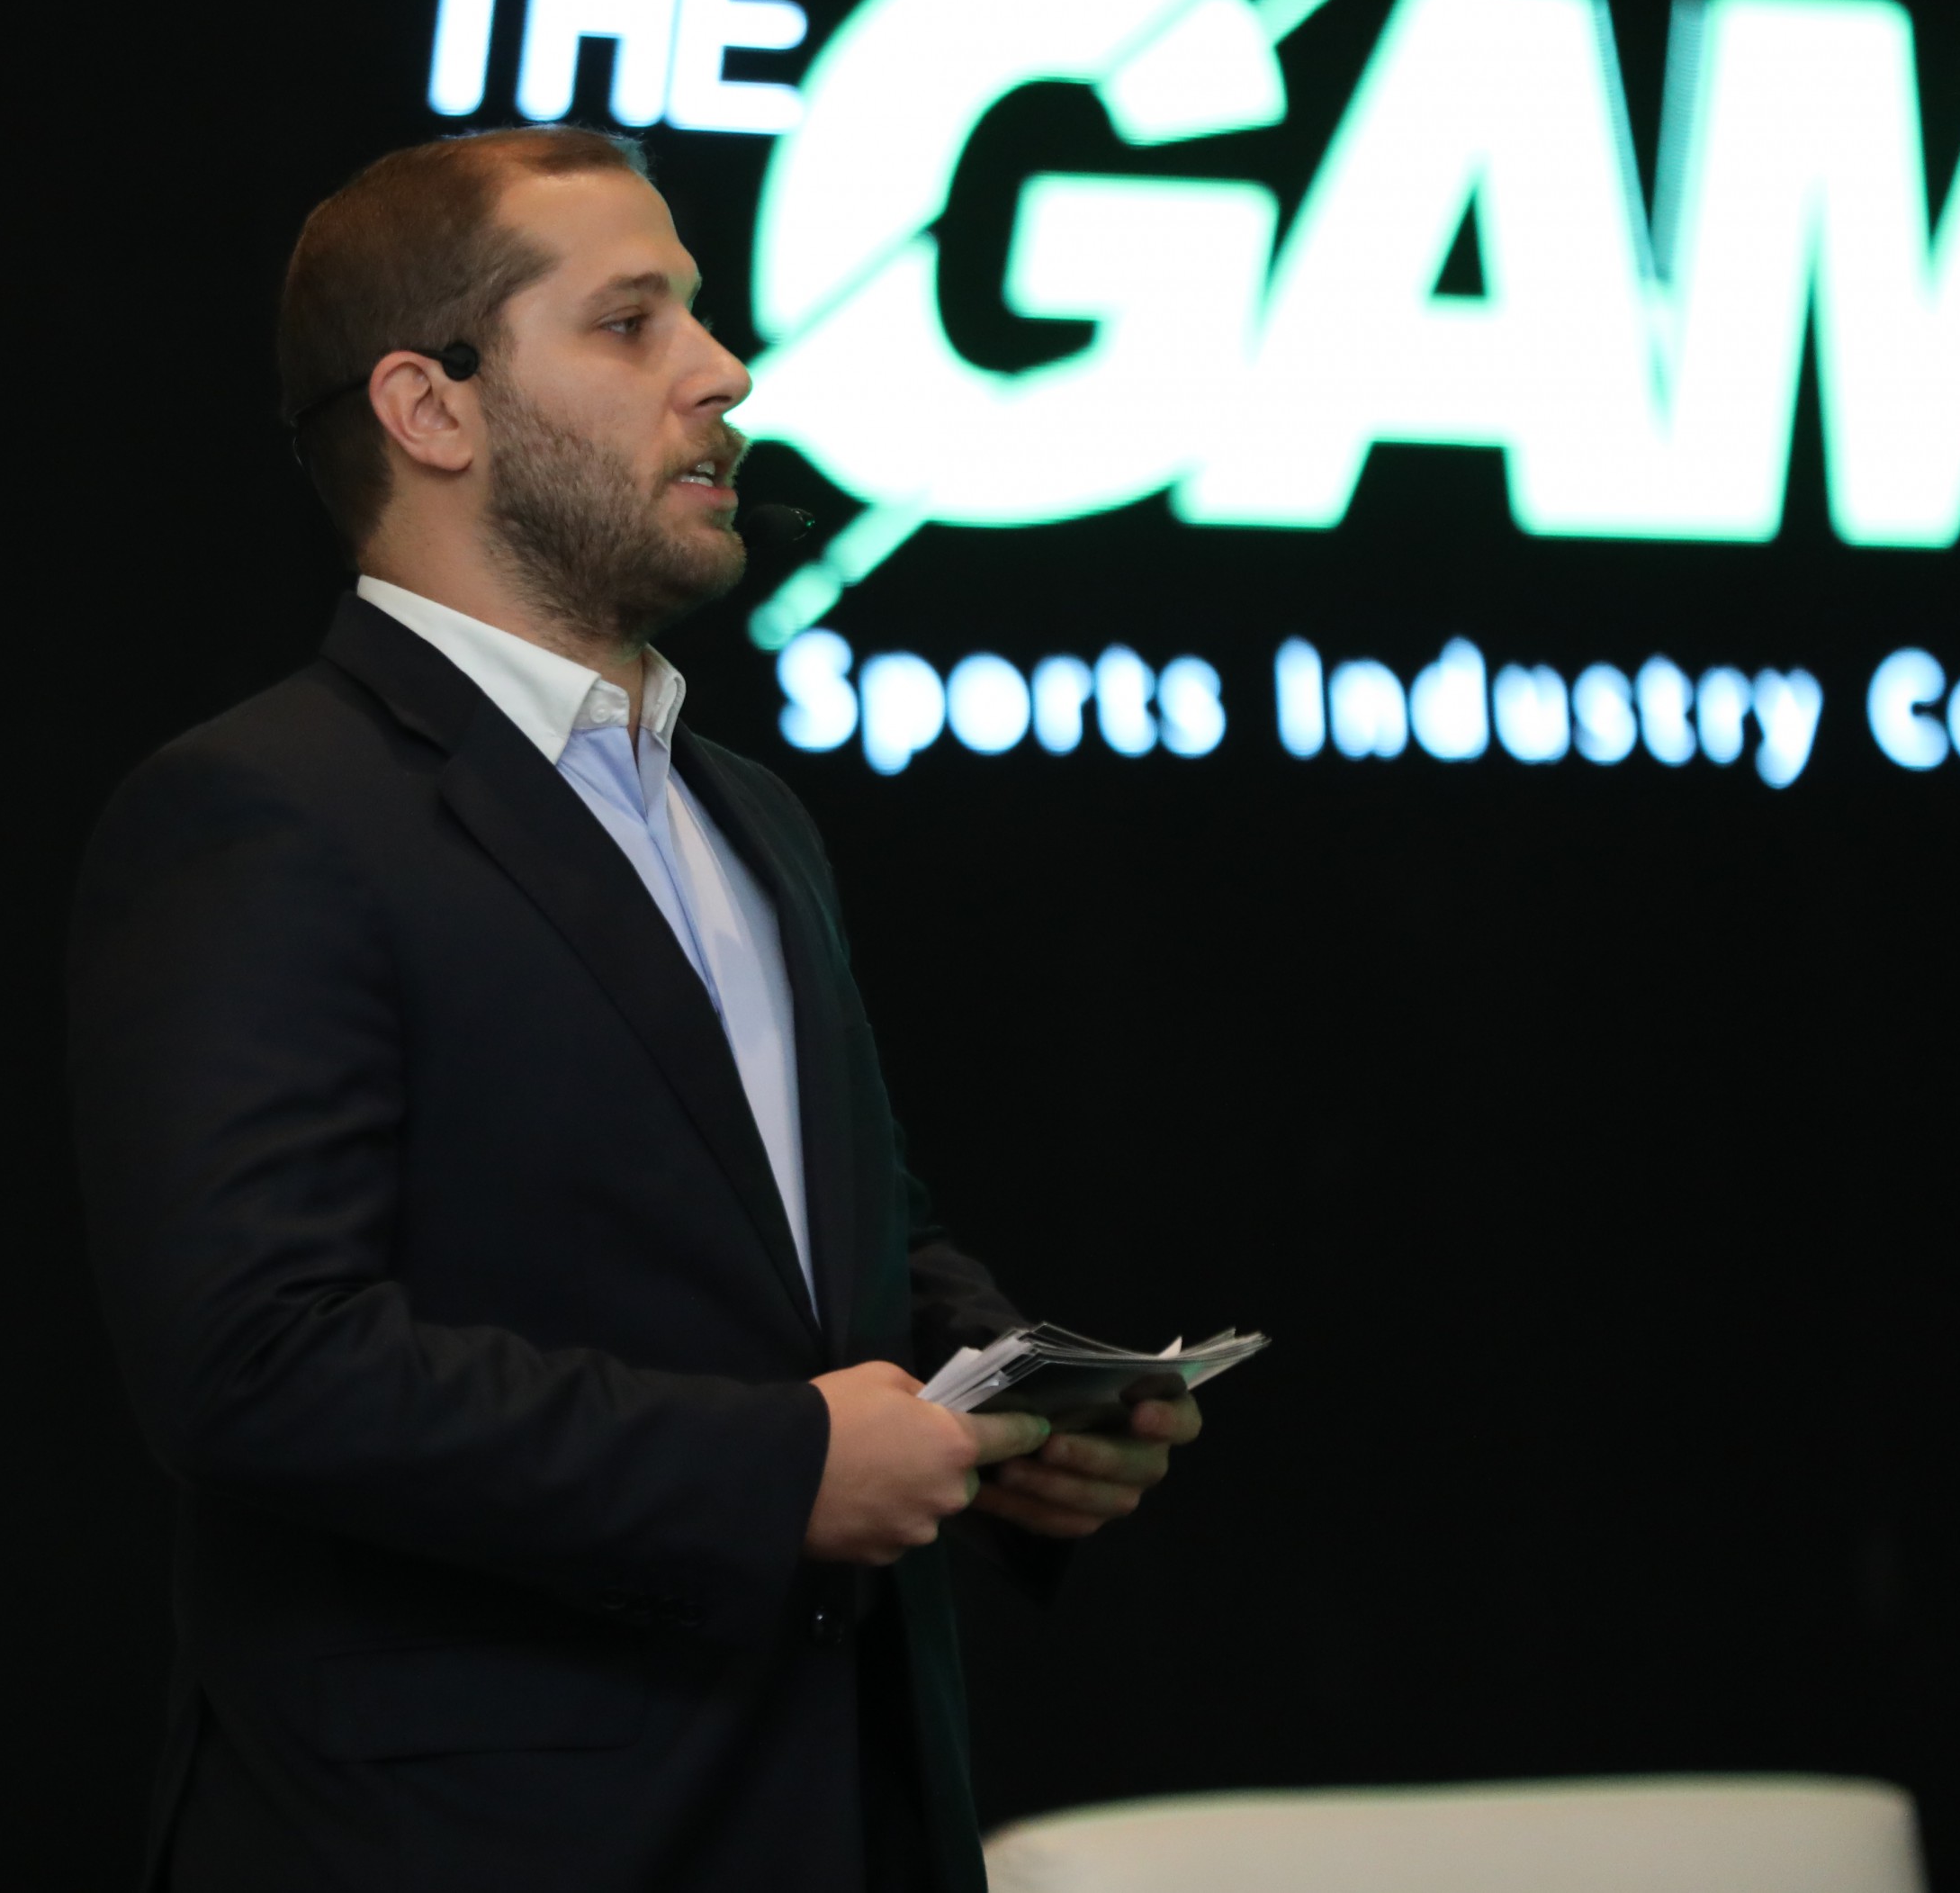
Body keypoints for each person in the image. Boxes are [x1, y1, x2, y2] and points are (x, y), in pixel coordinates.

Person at [69, 126, 1205, 1892]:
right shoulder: (264, 810)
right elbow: (258, 1365)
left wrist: (1001, 1398)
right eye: (630, 320)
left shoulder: (748, 812)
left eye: (698, 312)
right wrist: (782, 1466)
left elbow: (840, 1242)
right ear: (429, 408)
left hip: (835, 1815)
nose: (723, 370)